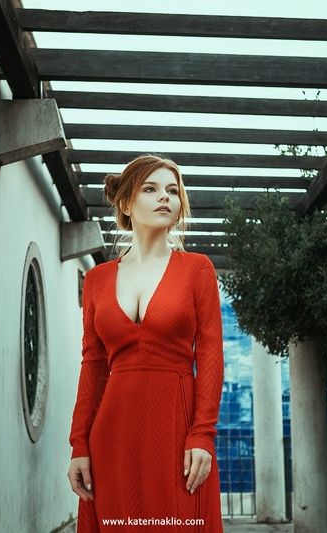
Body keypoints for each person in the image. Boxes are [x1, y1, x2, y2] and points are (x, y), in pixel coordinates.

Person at [66, 154, 225, 532]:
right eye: (150, 189)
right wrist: (79, 445)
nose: (164, 197)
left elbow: (211, 354)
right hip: (112, 431)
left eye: (172, 190)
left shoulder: (197, 269)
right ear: (125, 203)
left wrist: (202, 433)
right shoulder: (97, 281)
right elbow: (92, 366)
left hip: (177, 423)